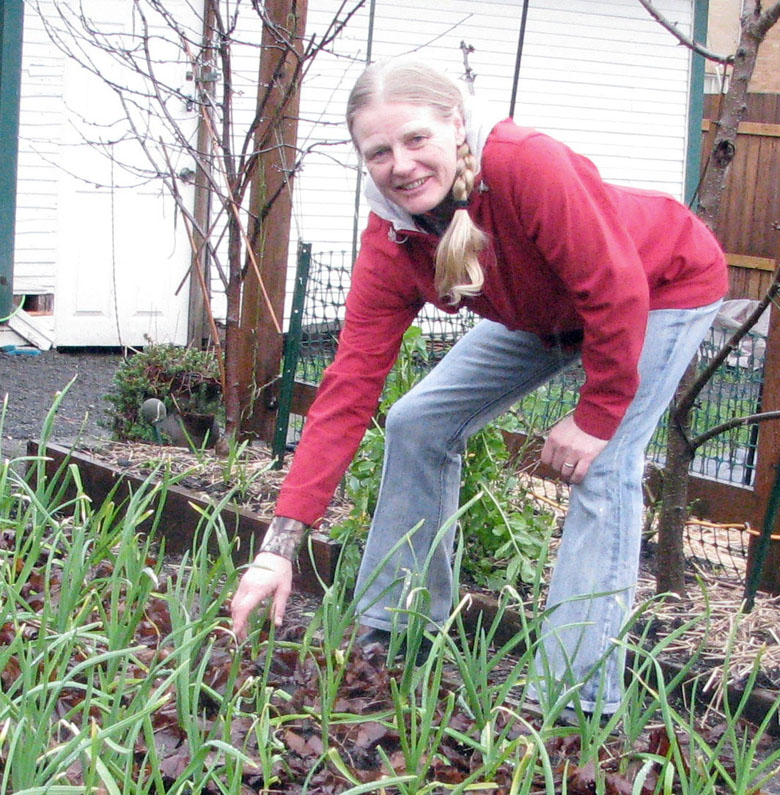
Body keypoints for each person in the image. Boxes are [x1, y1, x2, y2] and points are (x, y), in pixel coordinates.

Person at [231, 59, 727, 715]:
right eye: (378, 152)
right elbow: (348, 385)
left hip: (659, 285)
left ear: (454, 124)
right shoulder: (394, 237)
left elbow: (616, 288)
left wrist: (598, 413)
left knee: (601, 466)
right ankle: (394, 634)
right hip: (546, 313)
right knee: (418, 423)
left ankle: (571, 706)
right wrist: (278, 545)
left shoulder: (524, 164)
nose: (400, 164)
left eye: (415, 139)